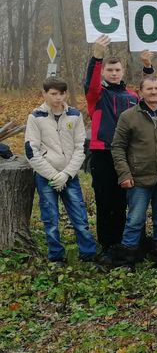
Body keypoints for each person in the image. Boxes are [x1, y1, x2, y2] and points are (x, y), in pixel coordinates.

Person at [111, 75, 157, 271]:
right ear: (140, 92)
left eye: (156, 89)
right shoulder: (128, 116)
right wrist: (124, 174)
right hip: (139, 177)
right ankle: (126, 261)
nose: (153, 92)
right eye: (149, 89)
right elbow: (118, 147)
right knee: (135, 219)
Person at [25, 77, 97, 266]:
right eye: (53, 94)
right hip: (46, 177)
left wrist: (66, 174)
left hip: (69, 175)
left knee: (80, 217)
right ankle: (56, 256)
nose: (58, 98)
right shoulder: (36, 117)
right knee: (50, 219)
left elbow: (80, 147)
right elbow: (31, 150)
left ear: (66, 94)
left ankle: (88, 254)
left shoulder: (74, 115)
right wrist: (52, 175)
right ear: (45, 94)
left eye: (61, 93)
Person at [84, 35, 141, 261]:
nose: (114, 73)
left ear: (123, 72)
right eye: (110, 70)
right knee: (105, 201)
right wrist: (97, 57)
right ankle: (108, 245)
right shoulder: (97, 94)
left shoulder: (132, 97)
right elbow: (90, 82)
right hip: (103, 152)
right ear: (104, 72)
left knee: (124, 202)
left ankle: (124, 243)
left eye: (117, 70)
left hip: (128, 155)